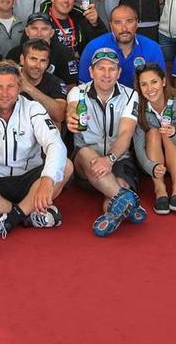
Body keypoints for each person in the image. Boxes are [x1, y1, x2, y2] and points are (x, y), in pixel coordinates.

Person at [0, 61, 73, 238]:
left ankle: (8, 219)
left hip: (29, 180)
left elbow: (55, 144)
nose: (5, 93)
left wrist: (47, 179)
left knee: (66, 166)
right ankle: (28, 214)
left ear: (19, 87)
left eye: (10, 86)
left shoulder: (34, 109)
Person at [66, 48, 147, 236]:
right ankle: (127, 201)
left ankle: (113, 214)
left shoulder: (130, 95)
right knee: (86, 153)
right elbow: (72, 108)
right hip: (85, 165)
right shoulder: (78, 92)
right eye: (101, 68)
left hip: (118, 158)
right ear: (90, 71)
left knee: (117, 186)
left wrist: (109, 159)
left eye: (112, 69)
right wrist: (72, 117)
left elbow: (125, 134)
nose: (106, 74)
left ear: (119, 73)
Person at [133, 63, 176, 214]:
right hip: (152, 162)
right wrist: (150, 167)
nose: (150, 89)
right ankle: (160, 190)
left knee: (167, 133)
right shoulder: (137, 109)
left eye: (154, 82)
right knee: (153, 132)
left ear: (164, 82)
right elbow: (138, 148)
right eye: (144, 84)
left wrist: (175, 134)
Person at [78, 5, 166, 88]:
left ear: (137, 24)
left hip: (141, 101)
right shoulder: (94, 47)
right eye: (117, 23)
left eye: (129, 22)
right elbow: (84, 86)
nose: (124, 29)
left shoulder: (152, 48)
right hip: (103, 101)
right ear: (111, 26)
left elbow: (159, 86)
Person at [5, 13, 80, 88]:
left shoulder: (65, 54)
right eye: (34, 28)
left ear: (51, 33)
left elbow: (71, 85)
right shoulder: (14, 53)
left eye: (44, 29)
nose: (39, 34)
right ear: (27, 32)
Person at [40, 0, 106, 58]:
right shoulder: (39, 21)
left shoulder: (82, 18)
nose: (66, 0)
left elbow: (102, 46)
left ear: (74, 1)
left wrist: (95, 24)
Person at [17, 38, 68, 127]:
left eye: (43, 61)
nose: (37, 65)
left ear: (47, 62)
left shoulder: (55, 82)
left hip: (43, 133)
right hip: (15, 129)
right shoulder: (10, 78)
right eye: (33, 59)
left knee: (56, 123)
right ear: (22, 59)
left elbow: (59, 116)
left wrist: (28, 88)